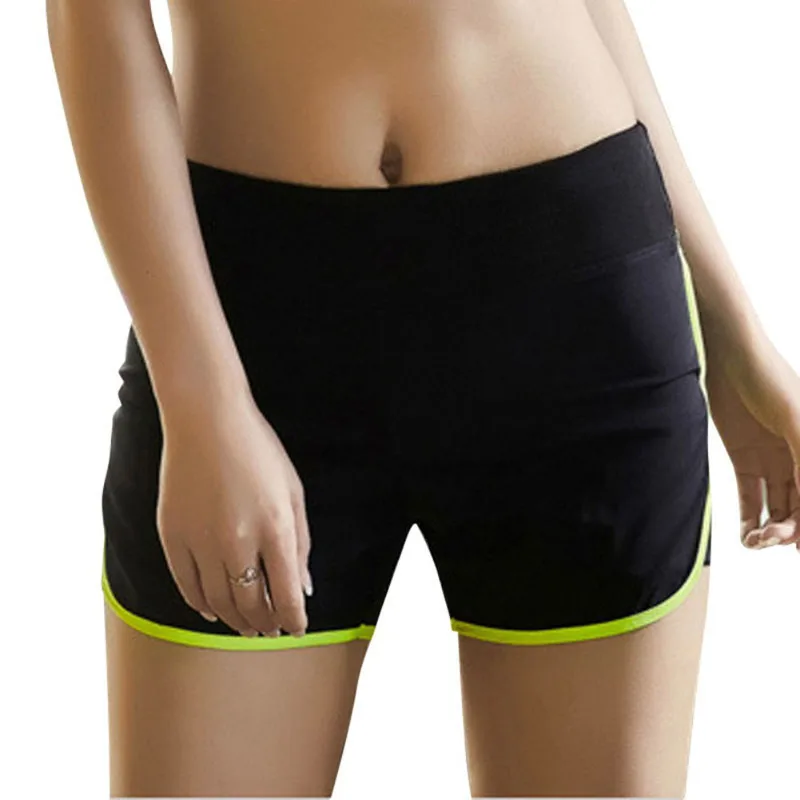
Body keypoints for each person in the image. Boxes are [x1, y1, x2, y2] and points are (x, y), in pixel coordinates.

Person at [46, 0, 800, 797]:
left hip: (573, 295)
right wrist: (201, 402)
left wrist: (734, 337)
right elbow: (89, 17)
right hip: (249, 319)